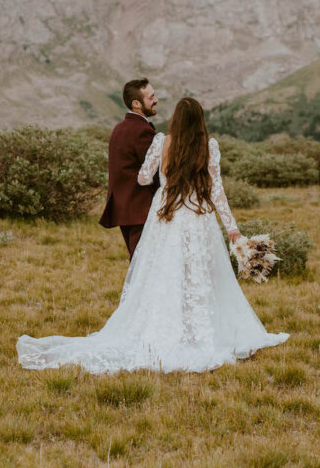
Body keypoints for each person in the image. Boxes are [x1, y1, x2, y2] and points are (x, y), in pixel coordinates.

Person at [17, 97, 288, 373]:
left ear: (176, 121)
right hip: (198, 215)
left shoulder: (161, 141)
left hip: (167, 212)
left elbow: (143, 178)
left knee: (162, 273)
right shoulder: (210, 146)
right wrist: (232, 228)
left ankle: (163, 327)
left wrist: (164, 178)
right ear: (200, 121)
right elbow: (217, 191)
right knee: (199, 274)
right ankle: (198, 331)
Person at [98, 78, 161, 259]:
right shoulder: (142, 130)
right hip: (140, 209)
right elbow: (153, 171)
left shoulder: (119, 128)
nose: (155, 100)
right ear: (136, 103)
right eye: (151, 97)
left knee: (138, 262)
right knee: (144, 265)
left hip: (124, 208)